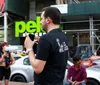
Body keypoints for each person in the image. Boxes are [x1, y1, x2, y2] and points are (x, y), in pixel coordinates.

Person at [24, 7, 69, 85]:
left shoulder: (46, 39)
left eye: (41, 19)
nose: (40, 22)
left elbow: (37, 68)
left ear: (48, 20)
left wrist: (29, 48)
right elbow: (54, 61)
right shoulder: (63, 37)